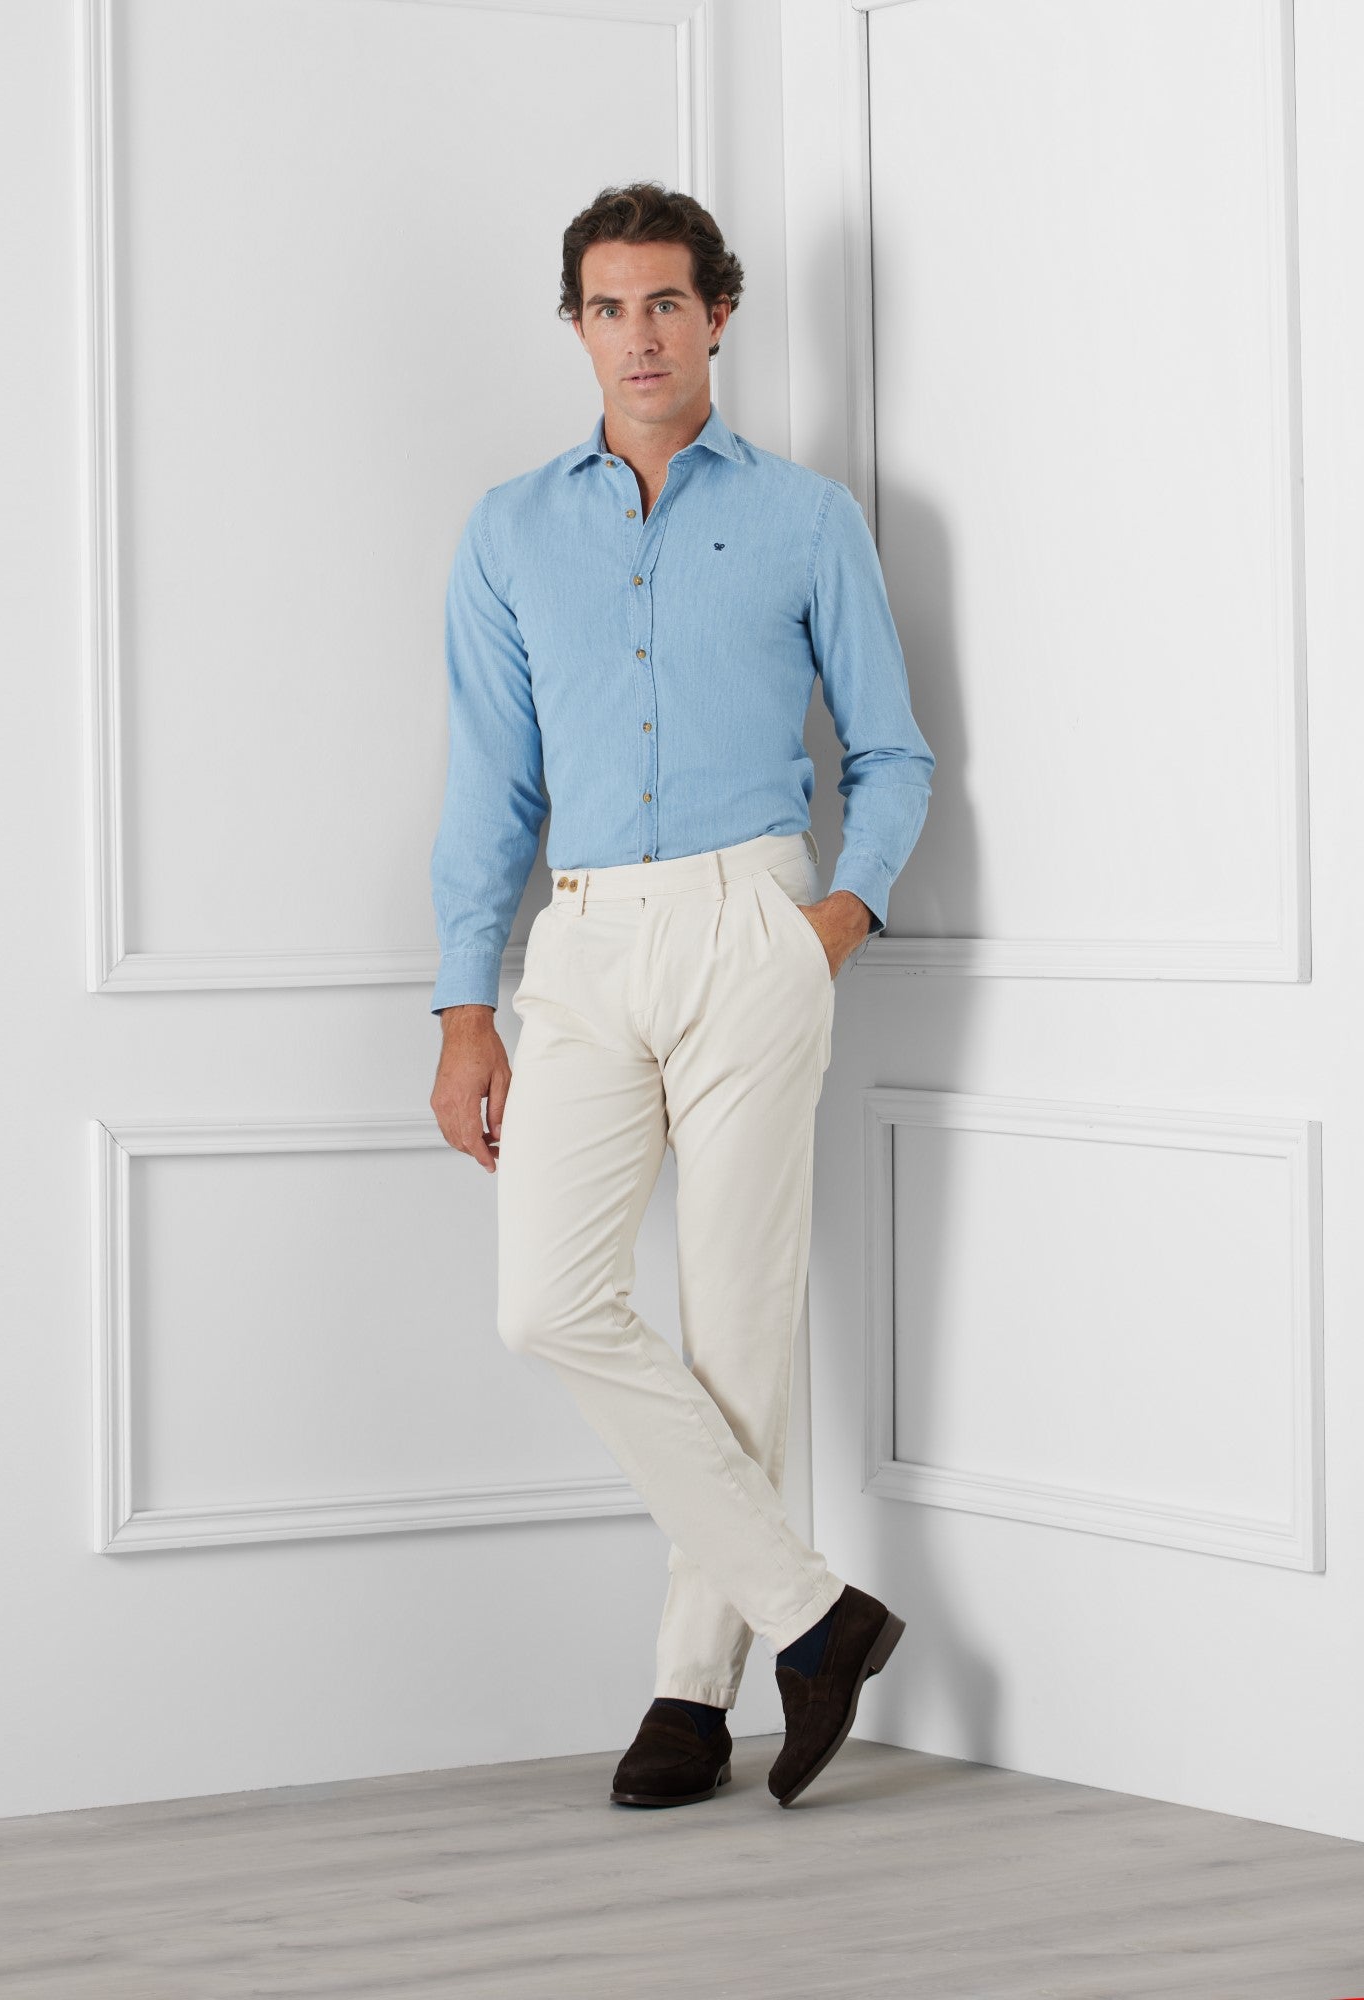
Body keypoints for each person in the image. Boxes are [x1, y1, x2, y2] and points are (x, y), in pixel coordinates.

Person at [427, 181, 934, 1809]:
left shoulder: (807, 519)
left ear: (718, 313)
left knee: (738, 1328)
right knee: (547, 1301)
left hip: (753, 929)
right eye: (608, 306)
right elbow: (493, 789)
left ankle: (689, 1699)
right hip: (581, 947)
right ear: (576, 325)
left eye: (665, 302)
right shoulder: (510, 531)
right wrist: (463, 1004)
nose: (638, 335)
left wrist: (832, 919)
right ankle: (816, 1616)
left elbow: (892, 752)